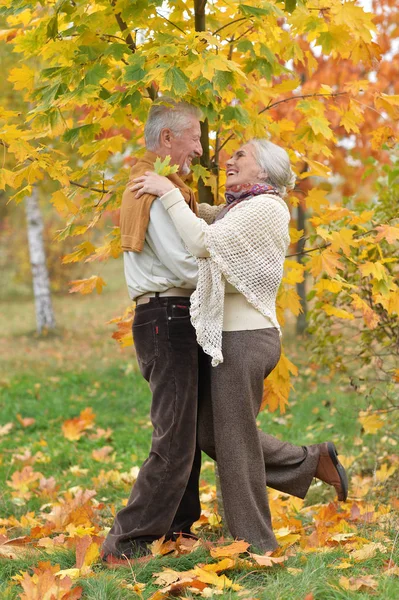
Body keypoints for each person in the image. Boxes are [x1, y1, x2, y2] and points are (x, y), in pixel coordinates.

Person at [132, 138, 349, 553]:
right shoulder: (241, 208)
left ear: (263, 170)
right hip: (231, 339)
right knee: (211, 435)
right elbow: (205, 217)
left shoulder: (267, 208)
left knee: (233, 445)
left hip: (246, 338)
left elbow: (201, 242)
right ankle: (312, 460)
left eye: (240, 156)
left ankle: (255, 546)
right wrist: (173, 187)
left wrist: (167, 191)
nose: (228, 161)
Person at [101, 98, 207, 566]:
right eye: (195, 137)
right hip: (167, 316)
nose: (201, 149)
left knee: (185, 431)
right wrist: (228, 262)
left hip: (173, 316)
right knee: (174, 437)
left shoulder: (169, 188)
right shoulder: (151, 191)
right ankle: (129, 543)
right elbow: (184, 264)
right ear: (168, 139)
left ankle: (178, 529)